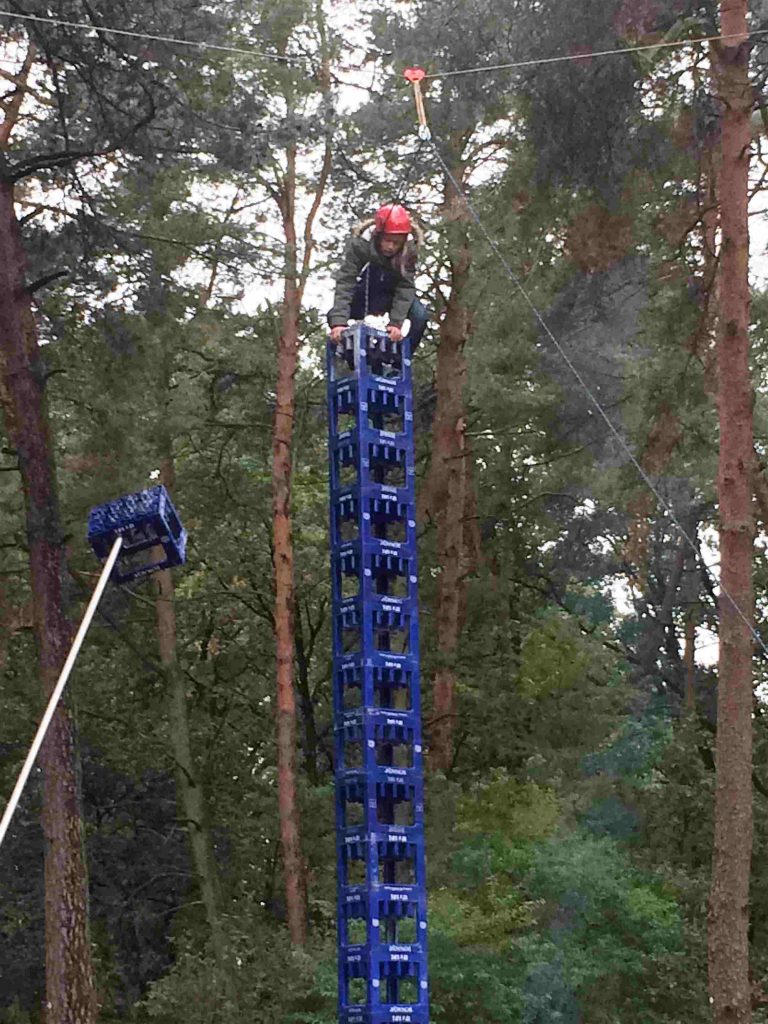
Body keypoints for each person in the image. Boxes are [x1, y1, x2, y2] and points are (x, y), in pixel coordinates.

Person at [328, 203, 428, 350]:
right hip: (366, 293)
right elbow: (346, 281)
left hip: (393, 296)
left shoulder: (409, 251)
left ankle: (402, 355)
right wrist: (339, 322)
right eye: (387, 240)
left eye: (396, 243)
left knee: (420, 316)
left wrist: (396, 323)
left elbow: (405, 286)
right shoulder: (360, 245)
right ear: (378, 235)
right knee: (333, 316)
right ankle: (352, 354)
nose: (391, 247)